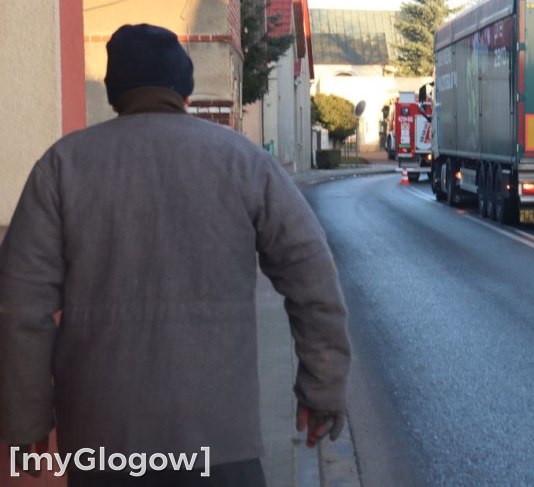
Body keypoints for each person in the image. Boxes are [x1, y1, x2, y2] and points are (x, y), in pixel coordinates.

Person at [0, 24, 350, 486]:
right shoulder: (243, 162)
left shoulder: (62, 166)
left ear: (114, 93)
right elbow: (313, 277)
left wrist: (26, 421)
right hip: (220, 442)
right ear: (185, 90)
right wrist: (321, 389)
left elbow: (19, 306)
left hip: (104, 445)